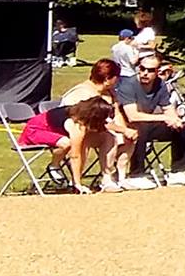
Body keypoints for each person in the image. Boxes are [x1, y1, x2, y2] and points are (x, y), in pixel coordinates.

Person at [28, 58, 135, 191]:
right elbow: (77, 146)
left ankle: (109, 178)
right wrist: (122, 131)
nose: (118, 80)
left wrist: (124, 131)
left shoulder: (109, 93)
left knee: (109, 137)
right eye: (116, 77)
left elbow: (114, 115)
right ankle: (71, 178)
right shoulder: (81, 94)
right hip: (53, 130)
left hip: (87, 128)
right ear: (108, 78)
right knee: (81, 141)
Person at [115, 51, 185, 188]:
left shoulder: (160, 85)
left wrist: (175, 120)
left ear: (157, 72)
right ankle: (136, 174)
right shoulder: (128, 85)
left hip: (148, 124)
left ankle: (178, 172)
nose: (145, 73)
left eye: (150, 70)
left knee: (181, 127)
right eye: (142, 68)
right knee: (140, 128)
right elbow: (133, 116)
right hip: (124, 126)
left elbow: (168, 108)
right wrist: (164, 117)